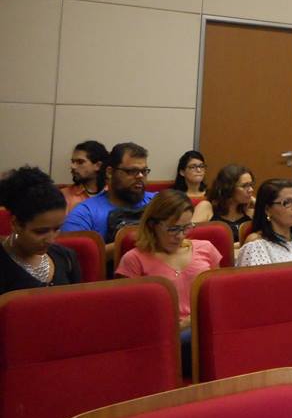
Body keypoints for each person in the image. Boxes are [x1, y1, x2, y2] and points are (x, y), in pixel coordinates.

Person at [115, 188, 221, 373]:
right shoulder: (134, 259)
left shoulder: (206, 248)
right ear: (153, 224)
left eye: (186, 227)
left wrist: (191, 322)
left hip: (203, 331)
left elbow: (218, 300)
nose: (180, 236)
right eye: (173, 229)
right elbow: (128, 318)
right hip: (161, 337)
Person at [1, 166, 82, 294]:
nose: (51, 240)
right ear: (16, 224)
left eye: (57, 229)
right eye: (40, 232)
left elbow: (77, 302)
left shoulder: (66, 257)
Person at [62, 141, 155, 244]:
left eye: (144, 171)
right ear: (110, 172)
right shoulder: (85, 213)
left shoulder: (158, 202)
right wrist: (130, 242)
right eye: (132, 171)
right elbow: (72, 256)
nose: (140, 176)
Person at [192, 164, 254, 239]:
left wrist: (258, 203)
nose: (251, 190)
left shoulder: (249, 213)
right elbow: (189, 236)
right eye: (244, 186)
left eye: (251, 185)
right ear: (228, 188)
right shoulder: (207, 207)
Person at [61, 140, 108, 212]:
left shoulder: (113, 194)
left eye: (80, 162)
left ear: (98, 166)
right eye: (73, 162)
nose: (72, 166)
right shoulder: (63, 195)